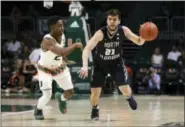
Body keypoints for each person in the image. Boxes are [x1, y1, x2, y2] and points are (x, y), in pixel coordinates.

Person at [79, 9, 146, 120]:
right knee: (95, 93)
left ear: (119, 21)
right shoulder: (100, 33)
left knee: (125, 89)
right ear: (107, 21)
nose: (112, 21)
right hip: (100, 64)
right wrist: (85, 66)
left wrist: (144, 35)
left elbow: (139, 42)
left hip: (116, 64)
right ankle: (95, 109)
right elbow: (86, 49)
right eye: (110, 19)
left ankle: (129, 98)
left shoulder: (123, 30)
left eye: (114, 19)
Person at [34, 16, 83, 120]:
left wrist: (65, 60)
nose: (62, 28)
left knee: (70, 92)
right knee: (47, 94)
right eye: (59, 26)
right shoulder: (47, 40)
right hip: (45, 69)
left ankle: (61, 99)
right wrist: (74, 45)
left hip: (59, 67)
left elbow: (61, 51)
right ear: (52, 27)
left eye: (63, 26)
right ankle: (38, 109)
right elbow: (60, 51)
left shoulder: (62, 35)